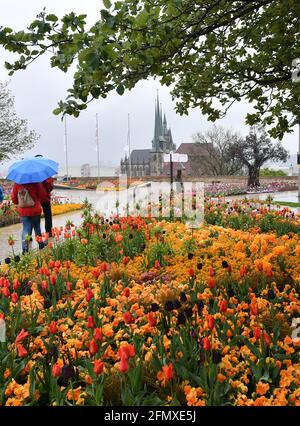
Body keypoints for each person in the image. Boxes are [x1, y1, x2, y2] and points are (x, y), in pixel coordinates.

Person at [11, 182, 48, 254]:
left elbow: (14, 199)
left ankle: (25, 249)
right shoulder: (36, 182)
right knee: (37, 227)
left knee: (25, 229)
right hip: (35, 210)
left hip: (23, 211)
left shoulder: (17, 184)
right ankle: (40, 244)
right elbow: (43, 195)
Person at [35, 155, 54, 235]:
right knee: (47, 215)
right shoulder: (45, 172)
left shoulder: (33, 172)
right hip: (45, 197)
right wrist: (48, 190)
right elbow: (49, 185)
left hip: (35, 198)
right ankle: (48, 232)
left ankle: (37, 235)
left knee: (35, 217)